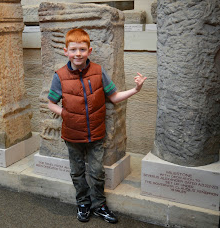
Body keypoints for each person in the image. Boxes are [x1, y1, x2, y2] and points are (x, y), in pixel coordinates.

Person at [47, 28, 147, 223]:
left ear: (89, 51)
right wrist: (66, 114)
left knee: (97, 172)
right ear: (65, 50)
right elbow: (51, 103)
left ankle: (99, 205)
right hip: (72, 135)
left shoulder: (98, 71)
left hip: (96, 134)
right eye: (74, 49)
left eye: (82, 49)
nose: (78, 54)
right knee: (77, 171)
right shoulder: (59, 76)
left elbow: (114, 97)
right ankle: (83, 203)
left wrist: (136, 89)